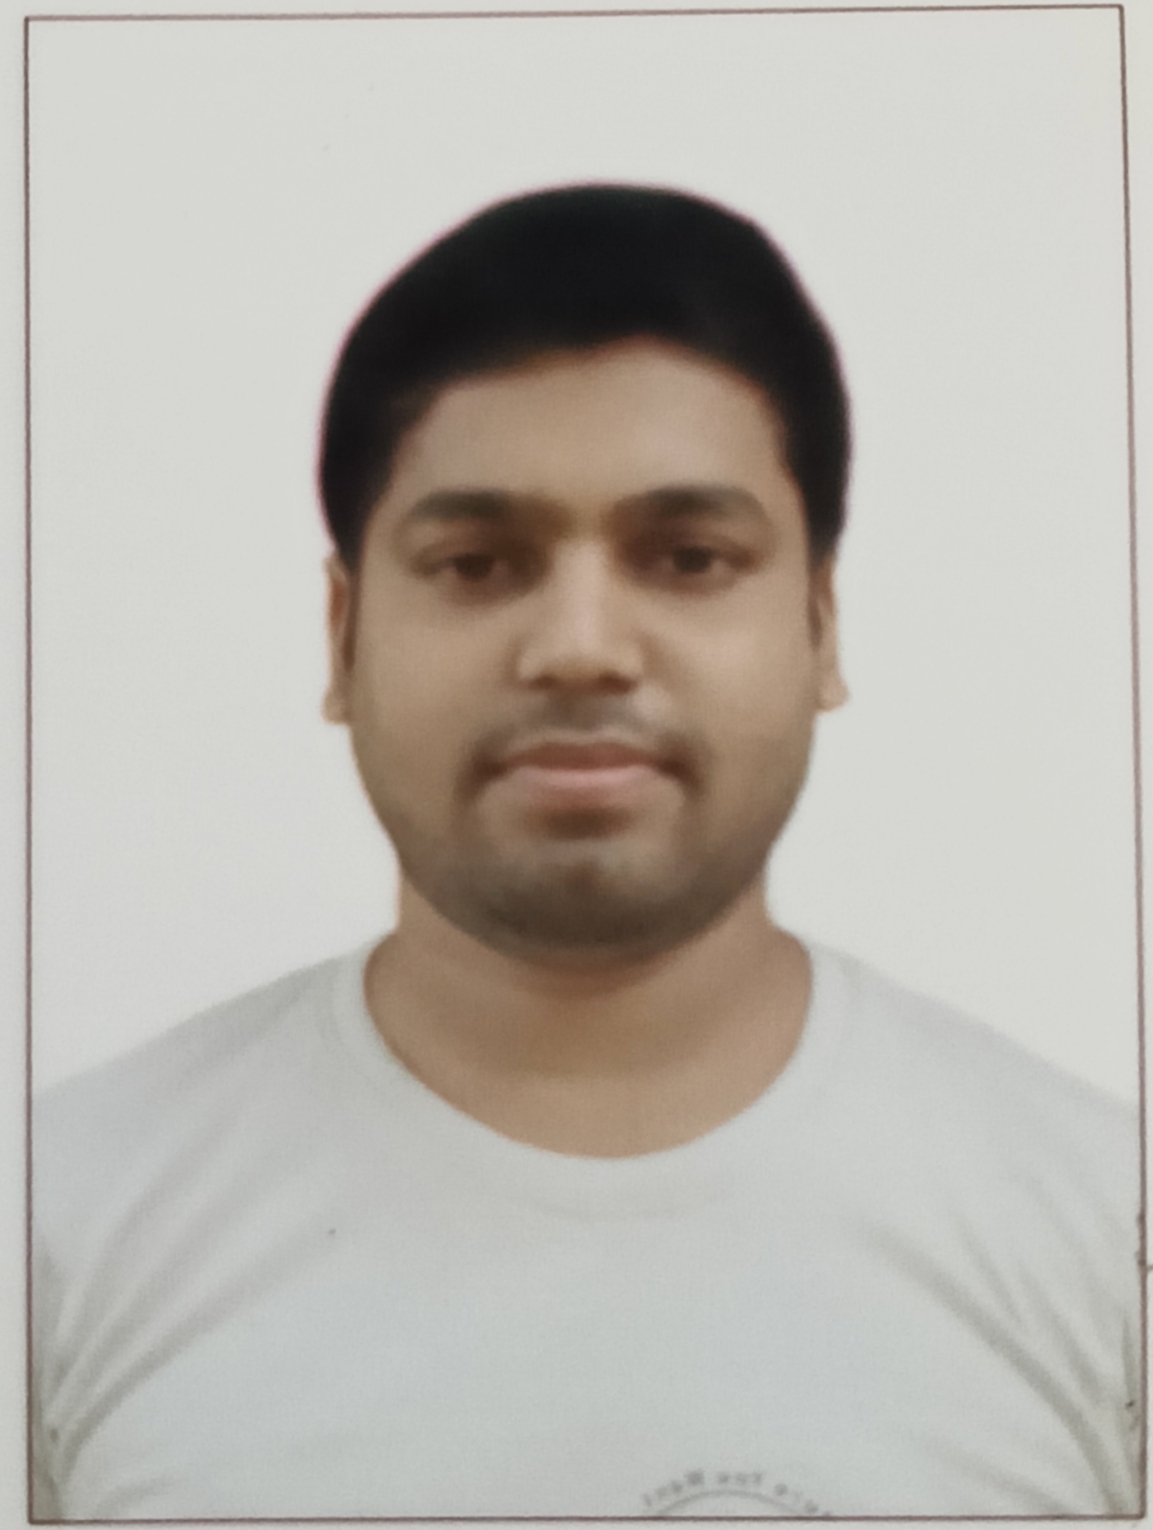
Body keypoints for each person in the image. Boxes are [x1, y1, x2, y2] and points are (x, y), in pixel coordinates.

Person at [32, 184, 1141, 1520]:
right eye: (476, 562)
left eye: (687, 556)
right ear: (341, 634)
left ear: (820, 621)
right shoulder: (56, 1231)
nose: (578, 646)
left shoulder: (1103, 1239)